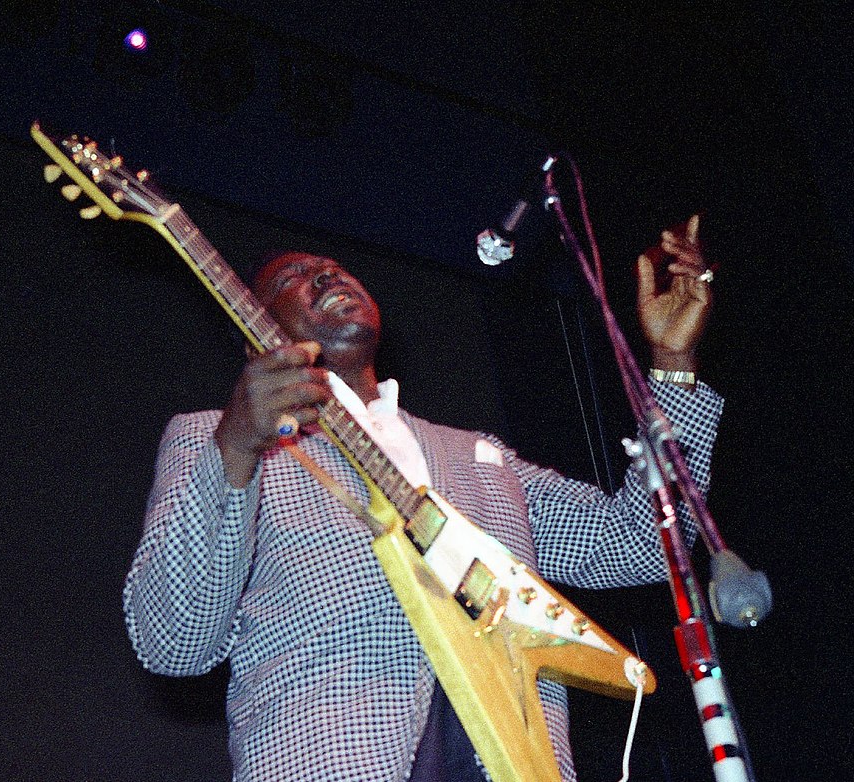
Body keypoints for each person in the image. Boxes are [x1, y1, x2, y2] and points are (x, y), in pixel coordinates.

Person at [122, 215, 724, 781]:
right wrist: (237, 443)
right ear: (253, 328)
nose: (327, 275)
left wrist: (673, 366)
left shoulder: (477, 457)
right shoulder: (221, 440)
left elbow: (640, 543)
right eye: (292, 279)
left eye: (334, 267)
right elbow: (173, 640)